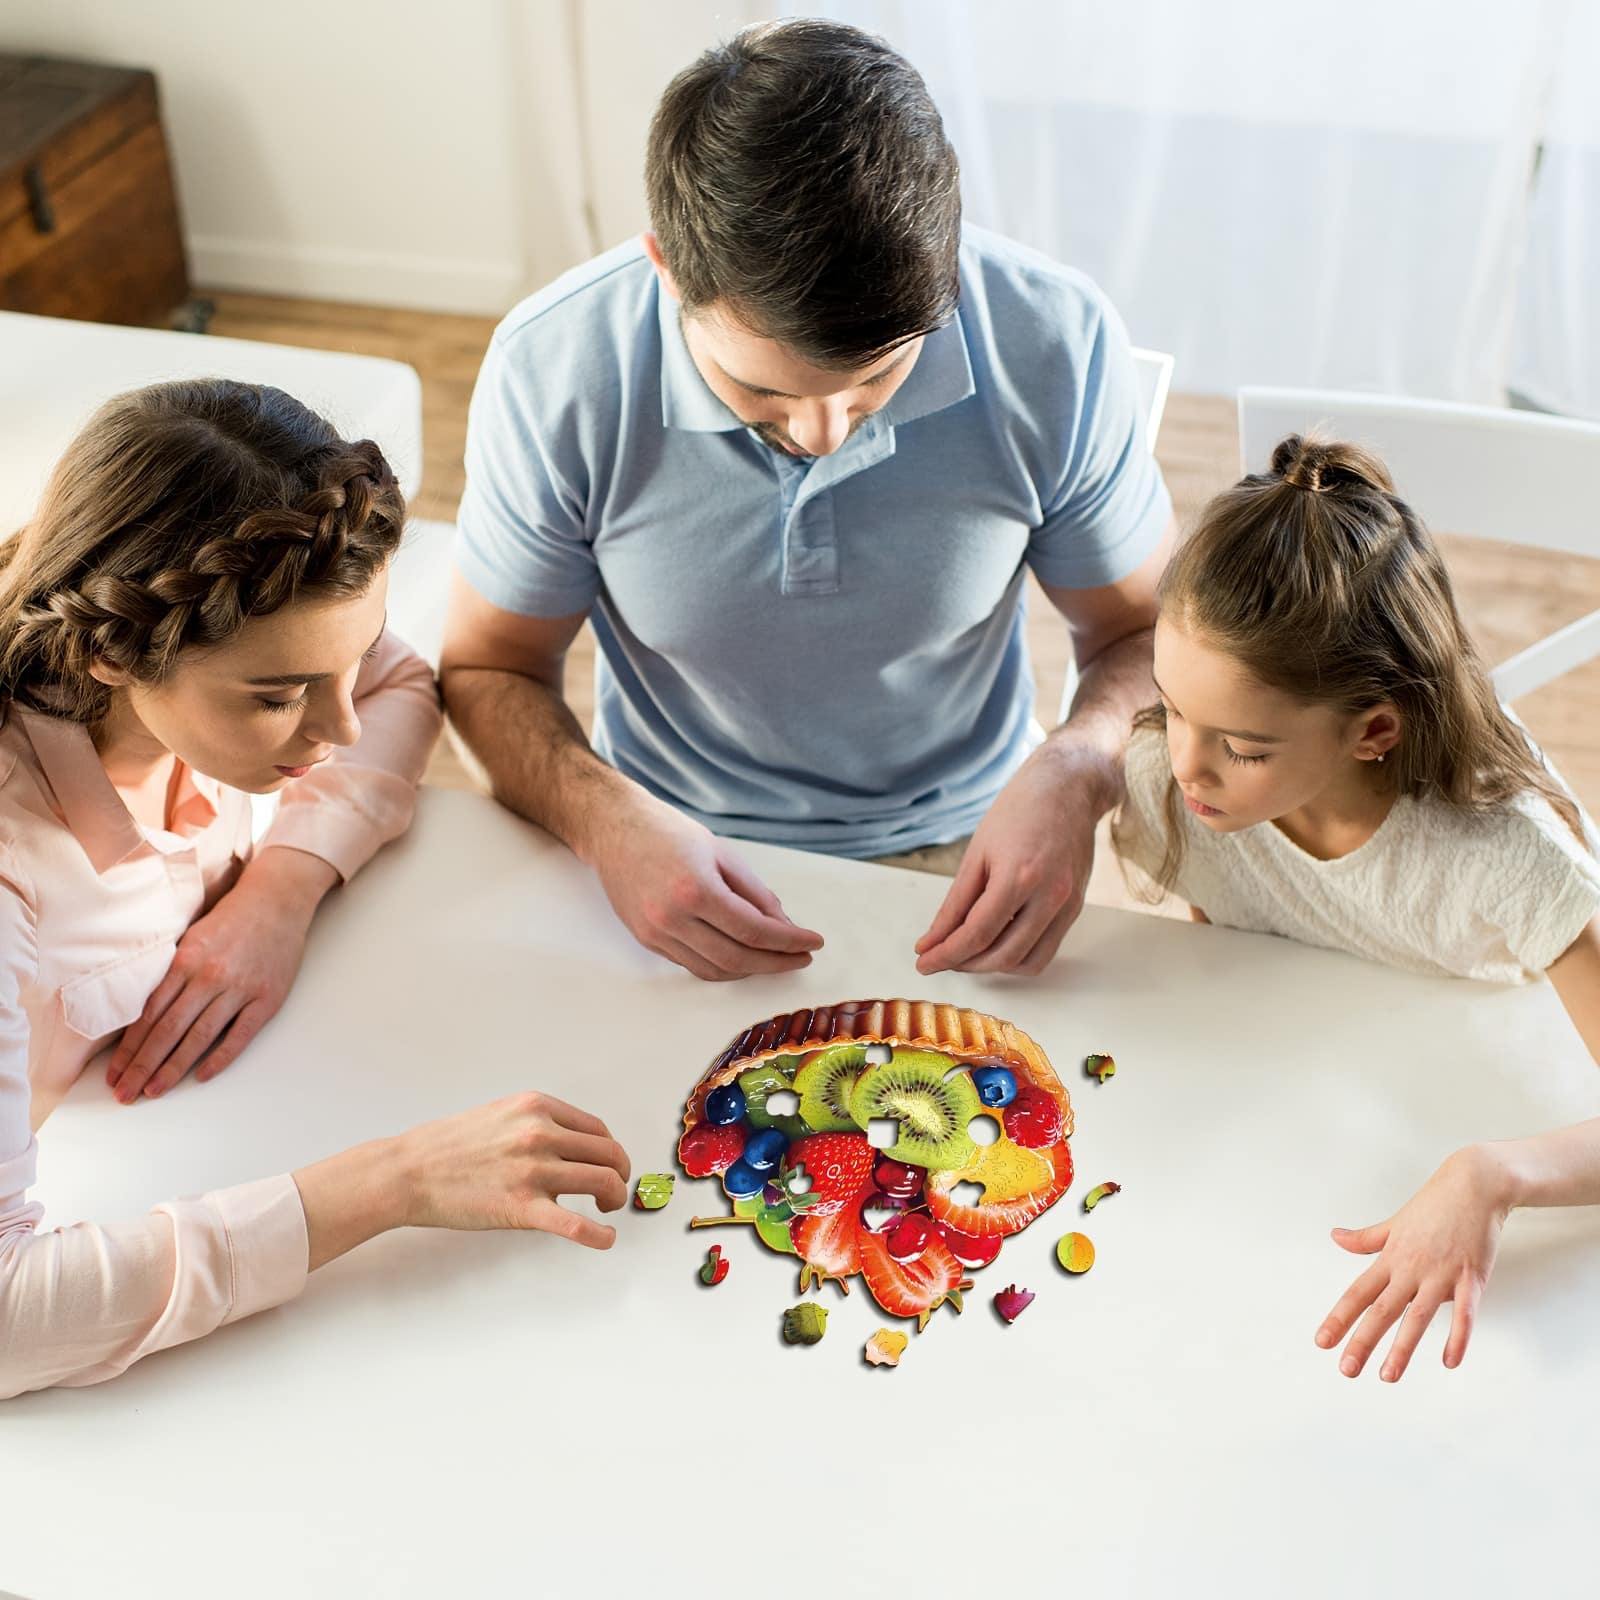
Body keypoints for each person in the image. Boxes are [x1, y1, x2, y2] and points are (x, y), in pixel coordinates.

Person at [440, 18, 1174, 982]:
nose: (826, 434)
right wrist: (602, 818)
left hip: (975, 840)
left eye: (877, 383)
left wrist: (1078, 772)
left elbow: (1147, 639)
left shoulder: (1053, 340)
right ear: (668, 270)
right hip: (658, 844)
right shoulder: (555, 370)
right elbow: (489, 671)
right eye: (765, 393)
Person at [1, 380, 630, 1399]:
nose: (334, 730)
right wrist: (395, 1181)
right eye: (278, 695)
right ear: (113, 651)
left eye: (339, 662)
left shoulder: (228, 640)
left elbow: (394, 685)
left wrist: (280, 892)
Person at [1112, 432, 1600, 1384]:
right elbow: (1245, 954)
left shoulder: (1509, 858)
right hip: (1322, 1111)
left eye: (1242, 748)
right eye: (1171, 708)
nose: (1184, 767)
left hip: (1504, 1066)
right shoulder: (1173, 789)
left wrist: (1490, 1177)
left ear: (1374, 730)